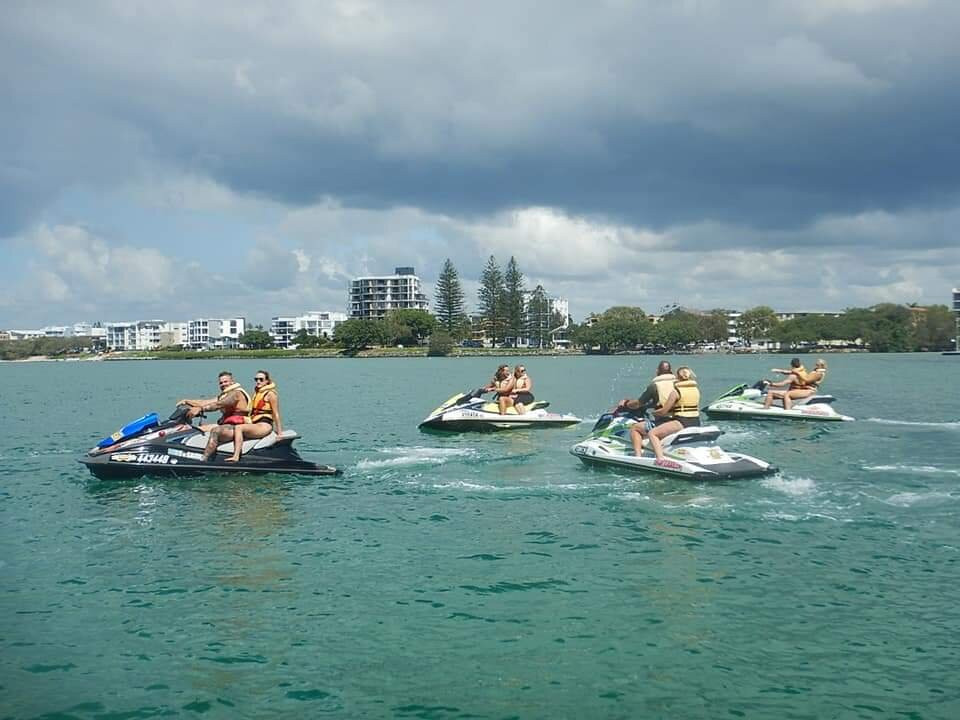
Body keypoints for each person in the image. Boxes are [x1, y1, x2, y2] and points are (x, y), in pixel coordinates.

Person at [177, 370, 251, 461]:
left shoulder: (236, 394)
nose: (223, 384)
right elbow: (205, 402)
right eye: (221, 383)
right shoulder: (224, 395)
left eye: (226, 382)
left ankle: (204, 460)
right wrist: (187, 401)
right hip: (227, 424)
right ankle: (184, 453)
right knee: (196, 429)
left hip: (237, 426)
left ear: (232, 382)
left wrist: (201, 409)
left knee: (215, 431)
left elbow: (218, 405)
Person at [612, 360, 676, 457]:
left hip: (663, 422)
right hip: (680, 421)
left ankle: (638, 457)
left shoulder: (655, 386)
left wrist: (626, 403)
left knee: (635, 428)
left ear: (657, 371)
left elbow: (638, 403)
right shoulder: (678, 384)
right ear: (671, 371)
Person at [645, 366, 701, 464]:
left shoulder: (676, 392)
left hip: (682, 421)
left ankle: (660, 459)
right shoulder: (695, 390)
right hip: (696, 421)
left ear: (677, 377)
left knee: (652, 434)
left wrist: (653, 412)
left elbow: (664, 411)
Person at [226, 370, 282, 463]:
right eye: (256, 379)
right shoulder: (257, 392)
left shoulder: (270, 394)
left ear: (267, 381)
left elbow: (276, 413)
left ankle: (236, 456)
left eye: (261, 379)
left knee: (239, 428)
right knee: (232, 423)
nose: (258, 381)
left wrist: (279, 433)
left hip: (264, 425)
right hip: (255, 423)